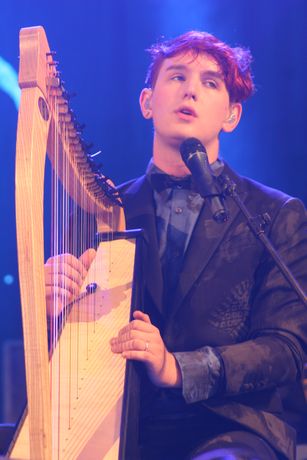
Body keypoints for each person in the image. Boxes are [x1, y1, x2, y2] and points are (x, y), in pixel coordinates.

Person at [45, 31, 307, 459]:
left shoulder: (274, 214)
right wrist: (49, 308)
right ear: (147, 102)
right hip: (119, 422)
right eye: (177, 76)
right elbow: (67, 356)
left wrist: (176, 368)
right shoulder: (102, 211)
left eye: (210, 82)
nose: (190, 90)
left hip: (233, 425)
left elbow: (286, 348)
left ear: (231, 115)